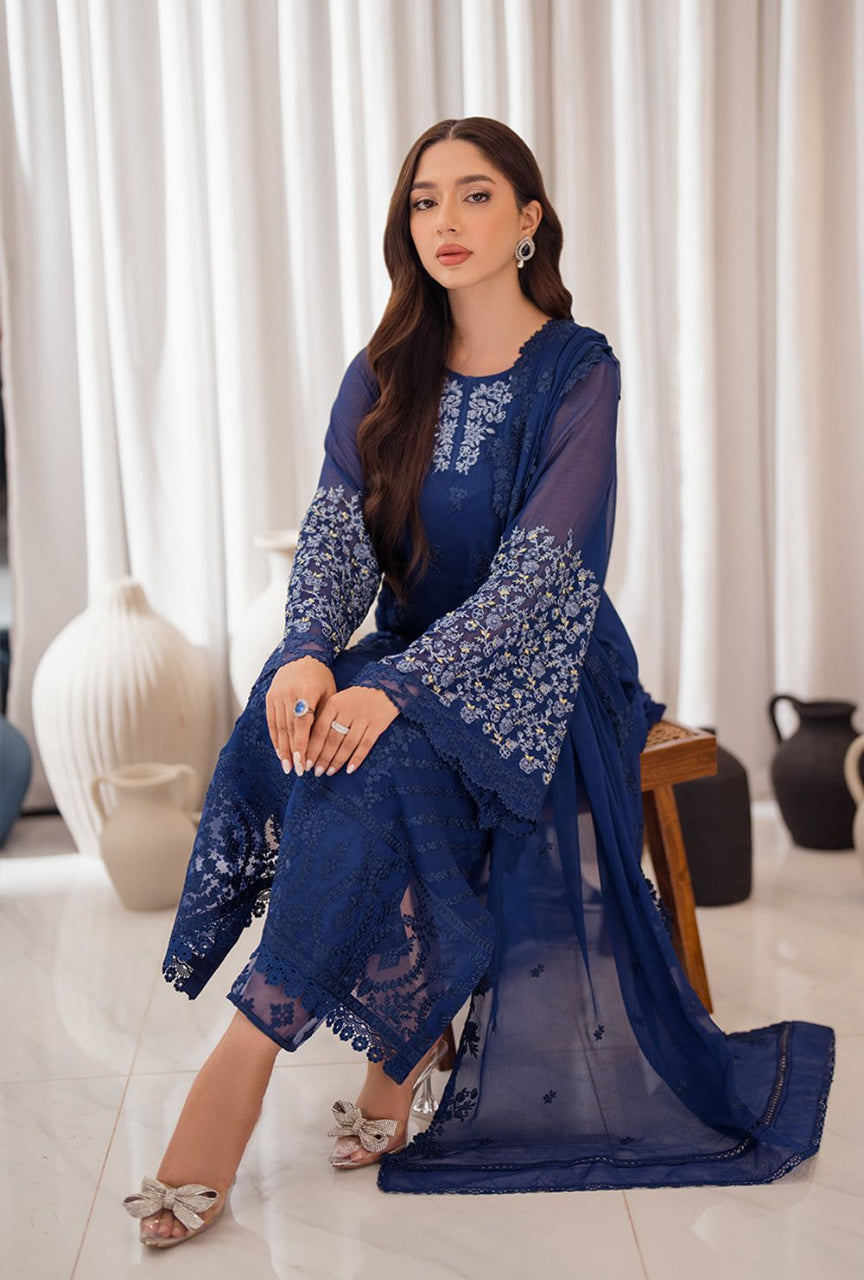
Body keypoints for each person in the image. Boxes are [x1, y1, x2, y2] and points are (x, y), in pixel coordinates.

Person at [122, 117, 835, 1248]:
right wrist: (308, 649)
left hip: (547, 663)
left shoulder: (578, 369)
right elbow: (337, 534)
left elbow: (544, 573)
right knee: (302, 725)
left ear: (528, 219)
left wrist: (399, 689)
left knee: (381, 749)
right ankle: (401, 1046)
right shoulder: (384, 368)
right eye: (424, 200)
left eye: (474, 195)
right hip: (411, 647)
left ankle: (242, 1063)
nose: (445, 221)